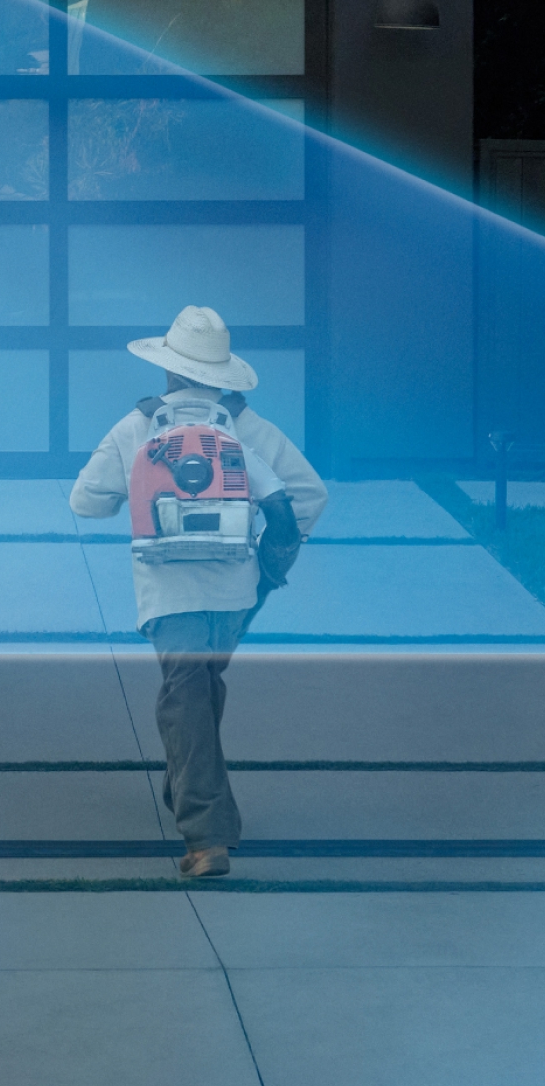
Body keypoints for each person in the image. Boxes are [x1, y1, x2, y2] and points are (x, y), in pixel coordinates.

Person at [70, 305, 326, 878]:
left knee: (182, 696)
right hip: (238, 592)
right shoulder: (250, 430)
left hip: (168, 592)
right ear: (222, 374)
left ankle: (207, 836)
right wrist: (269, 563)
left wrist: (130, 492)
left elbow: (84, 501)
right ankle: (184, 788)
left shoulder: (137, 428)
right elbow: (309, 496)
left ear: (168, 369)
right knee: (200, 687)